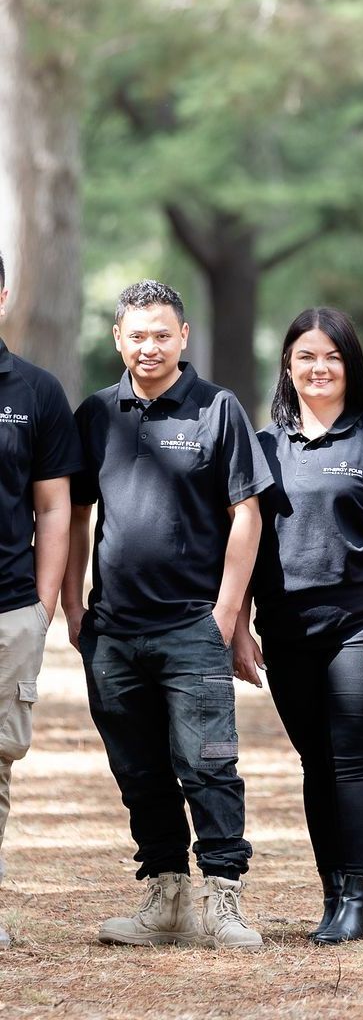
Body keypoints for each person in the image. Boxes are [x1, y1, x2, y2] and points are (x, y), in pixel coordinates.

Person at [61, 280, 273, 951]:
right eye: (136, 335)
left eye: (161, 334)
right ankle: (167, 898)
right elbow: (74, 512)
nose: (148, 346)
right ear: (118, 340)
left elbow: (248, 515)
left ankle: (223, 898)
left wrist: (226, 615)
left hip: (191, 627)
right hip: (113, 633)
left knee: (208, 763)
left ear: (183, 337)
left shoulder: (217, 409)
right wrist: (73, 604)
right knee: (140, 770)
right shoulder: (97, 414)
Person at [233, 307, 363, 946]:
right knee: (314, 764)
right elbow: (240, 541)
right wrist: (240, 626)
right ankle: (331, 894)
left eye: (332, 357)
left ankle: (359, 897)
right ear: (288, 367)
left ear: (350, 365)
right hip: (288, 631)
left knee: (350, 759)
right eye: (305, 358)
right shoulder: (266, 446)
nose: (319, 369)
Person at [0, 252, 82, 949]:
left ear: (2, 296)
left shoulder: (35, 391)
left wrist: (44, 605)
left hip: (8, 608)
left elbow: (55, 508)